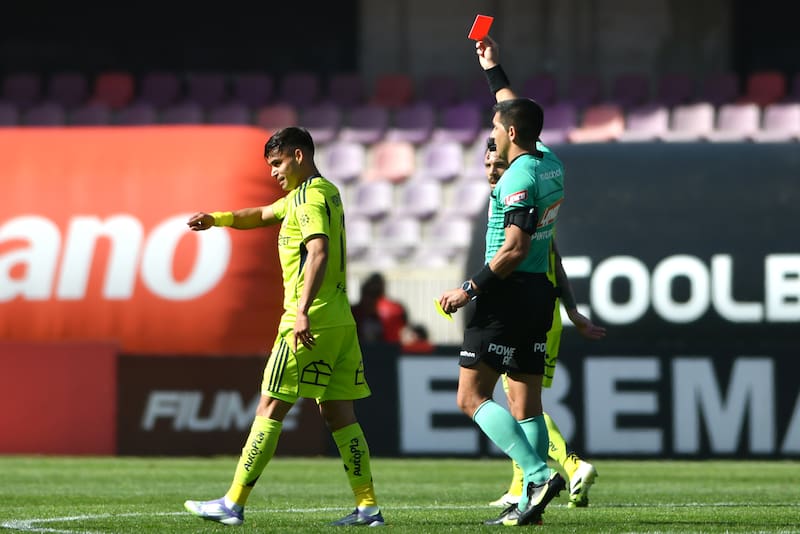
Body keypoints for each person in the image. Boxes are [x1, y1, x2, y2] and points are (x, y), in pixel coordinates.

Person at [182, 127, 385, 527]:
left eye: (277, 163)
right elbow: (259, 214)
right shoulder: (315, 194)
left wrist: (304, 310)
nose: (274, 172)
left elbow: (319, 251)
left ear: (297, 154)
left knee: (271, 404)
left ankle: (233, 503)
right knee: (339, 413)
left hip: (309, 319)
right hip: (341, 322)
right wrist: (218, 219)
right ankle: (368, 507)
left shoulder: (308, 199)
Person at [436, 36, 568, 527]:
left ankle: (536, 474)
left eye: (495, 126)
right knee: (529, 404)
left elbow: (512, 248)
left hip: (507, 294)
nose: (491, 130)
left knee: (471, 397)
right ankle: (530, 504)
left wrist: (468, 289)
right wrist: (493, 69)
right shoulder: (549, 161)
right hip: (539, 293)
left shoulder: (516, 179)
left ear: (512, 132)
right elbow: (514, 108)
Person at [483, 147, 607, 510]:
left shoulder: (520, 200)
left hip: (525, 311)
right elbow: (557, 259)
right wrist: (573, 310)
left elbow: (545, 258)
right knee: (519, 400)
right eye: (488, 164)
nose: (492, 170)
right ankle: (520, 483)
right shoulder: (512, 204)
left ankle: (569, 465)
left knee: (522, 402)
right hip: (543, 310)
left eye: (499, 164)